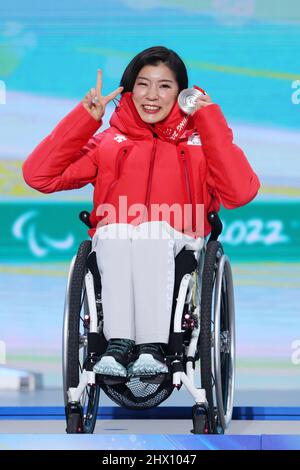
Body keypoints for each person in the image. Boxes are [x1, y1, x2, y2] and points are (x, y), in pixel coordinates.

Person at [23, 46, 260, 378]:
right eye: (143, 84)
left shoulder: (198, 144)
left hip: (180, 244)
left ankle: (154, 346)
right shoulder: (108, 142)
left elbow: (241, 191)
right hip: (117, 242)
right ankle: (118, 343)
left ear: (182, 94)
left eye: (165, 86)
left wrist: (207, 119)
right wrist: (84, 120)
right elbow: (38, 175)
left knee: (151, 231)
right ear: (129, 90)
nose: (152, 96)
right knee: (116, 232)